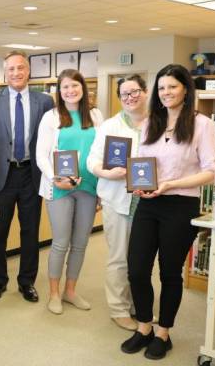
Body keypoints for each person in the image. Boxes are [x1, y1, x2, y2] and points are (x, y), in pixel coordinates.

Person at [120, 64, 215, 360]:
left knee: (169, 272)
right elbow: (141, 162)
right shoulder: (151, 122)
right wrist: (139, 183)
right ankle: (144, 327)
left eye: (172, 87)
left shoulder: (203, 124)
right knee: (136, 269)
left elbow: (212, 171)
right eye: (162, 88)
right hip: (149, 204)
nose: (166, 93)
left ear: (186, 89)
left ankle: (163, 333)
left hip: (180, 204)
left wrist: (170, 183)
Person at [0, 51, 53, 302]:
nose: (16, 73)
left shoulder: (44, 101)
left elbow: (51, 140)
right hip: (2, 176)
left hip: (32, 175)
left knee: (30, 232)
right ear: (5, 72)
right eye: (11, 69)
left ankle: (27, 282)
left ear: (29, 71)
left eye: (21, 68)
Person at [36, 68, 104, 315]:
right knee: (61, 242)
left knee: (80, 243)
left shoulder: (96, 115)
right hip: (60, 188)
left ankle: (70, 291)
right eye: (65, 87)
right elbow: (41, 156)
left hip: (88, 187)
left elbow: (102, 150)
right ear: (59, 91)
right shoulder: (51, 117)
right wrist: (55, 178)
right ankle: (53, 293)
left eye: (75, 86)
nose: (70, 91)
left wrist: (102, 189)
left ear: (83, 88)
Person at [87, 74, 148, 331]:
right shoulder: (109, 126)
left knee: (143, 258)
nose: (130, 98)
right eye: (124, 94)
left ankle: (139, 305)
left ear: (145, 92)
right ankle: (119, 309)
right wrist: (107, 173)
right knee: (119, 257)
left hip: (148, 202)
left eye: (135, 92)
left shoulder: (159, 124)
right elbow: (92, 162)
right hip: (117, 200)